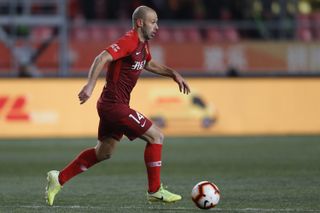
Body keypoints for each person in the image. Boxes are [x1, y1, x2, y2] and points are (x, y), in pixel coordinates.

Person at [45, 5, 190, 206]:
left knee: (103, 152)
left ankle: (58, 178)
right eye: (153, 22)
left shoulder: (142, 45)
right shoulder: (129, 40)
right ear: (140, 23)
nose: (157, 26)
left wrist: (173, 73)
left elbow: (149, 64)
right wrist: (89, 86)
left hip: (110, 105)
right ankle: (155, 190)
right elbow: (101, 57)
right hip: (114, 106)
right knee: (157, 136)